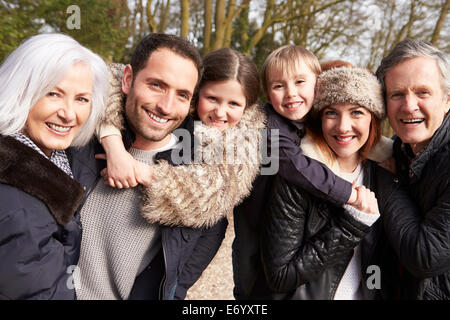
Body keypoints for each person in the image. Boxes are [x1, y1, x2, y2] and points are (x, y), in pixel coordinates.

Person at [75, 33, 229, 300]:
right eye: (156, 85)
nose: (166, 106)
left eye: (182, 95)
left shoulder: (193, 176)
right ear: (127, 79)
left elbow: (212, 230)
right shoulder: (80, 139)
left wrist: (175, 292)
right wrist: (112, 145)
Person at [261, 65, 403, 300]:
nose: (343, 126)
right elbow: (280, 275)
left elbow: (383, 267)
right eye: (331, 113)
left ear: (373, 120)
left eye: (356, 112)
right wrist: (350, 225)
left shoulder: (385, 177)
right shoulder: (298, 179)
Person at [232, 45, 363, 299]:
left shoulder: (311, 120)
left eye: (300, 82)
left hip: (285, 219)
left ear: (318, 84)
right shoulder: (272, 125)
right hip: (256, 220)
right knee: (253, 282)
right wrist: (346, 191)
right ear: (268, 94)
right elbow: (294, 167)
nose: (290, 93)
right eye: (278, 86)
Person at [96, 47, 265, 229]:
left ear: (246, 107)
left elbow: (206, 195)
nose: (220, 112)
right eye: (212, 98)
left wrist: (139, 170)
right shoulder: (173, 105)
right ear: (196, 92)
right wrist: (114, 146)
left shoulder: (243, 143)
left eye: (234, 104)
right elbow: (107, 80)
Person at [0, 33, 108, 299]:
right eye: (53, 94)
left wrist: (113, 142)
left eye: (82, 99)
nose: (69, 114)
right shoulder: (19, 205)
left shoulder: (54, 162)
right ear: (20, 92)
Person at [375, 39, 449, 299]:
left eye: (422, 92)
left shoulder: (387, 165)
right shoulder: (397, 150)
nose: (408, 105)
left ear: (447, 100)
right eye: (397, 94)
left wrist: (387, 178)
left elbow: (426, 256)